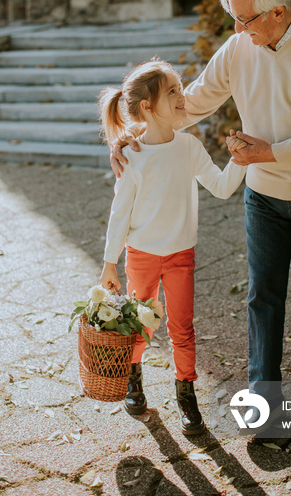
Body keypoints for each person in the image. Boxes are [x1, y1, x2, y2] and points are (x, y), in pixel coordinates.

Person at [112, 0, 291, 428]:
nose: (235, 28)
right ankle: (265, 400)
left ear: (279, 12)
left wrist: (272, 151)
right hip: (264, 196)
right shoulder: (239, 47)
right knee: (263, 295)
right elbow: (192, 103)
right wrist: (134, 134)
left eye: (244, 19)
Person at [99, 59, 246, 434]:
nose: (184, 97)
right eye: (173, 92)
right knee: (140, 325)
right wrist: (109, 263)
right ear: (147, 106)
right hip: (142, 256)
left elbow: (223, 187)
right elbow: (119, 212)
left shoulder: (189, 146)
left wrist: (241, 159)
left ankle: (187, 395)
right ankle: (134, 381)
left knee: (182, 329)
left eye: (181, 89)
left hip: (181, 255)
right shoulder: (132, 155)